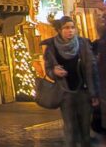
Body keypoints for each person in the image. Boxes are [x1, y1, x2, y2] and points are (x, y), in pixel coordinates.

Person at [42, 16, 99, 147]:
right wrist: (54, 72)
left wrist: (94, 93)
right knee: (70, 129)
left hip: (83, 92)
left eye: (72, 27)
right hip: (65, 93)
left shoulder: (83, 44)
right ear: (59, 30)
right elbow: (48, 69)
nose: (70, 31)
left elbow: (92, 69)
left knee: (85, 129)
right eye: (66, 28)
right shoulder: (52, 47)